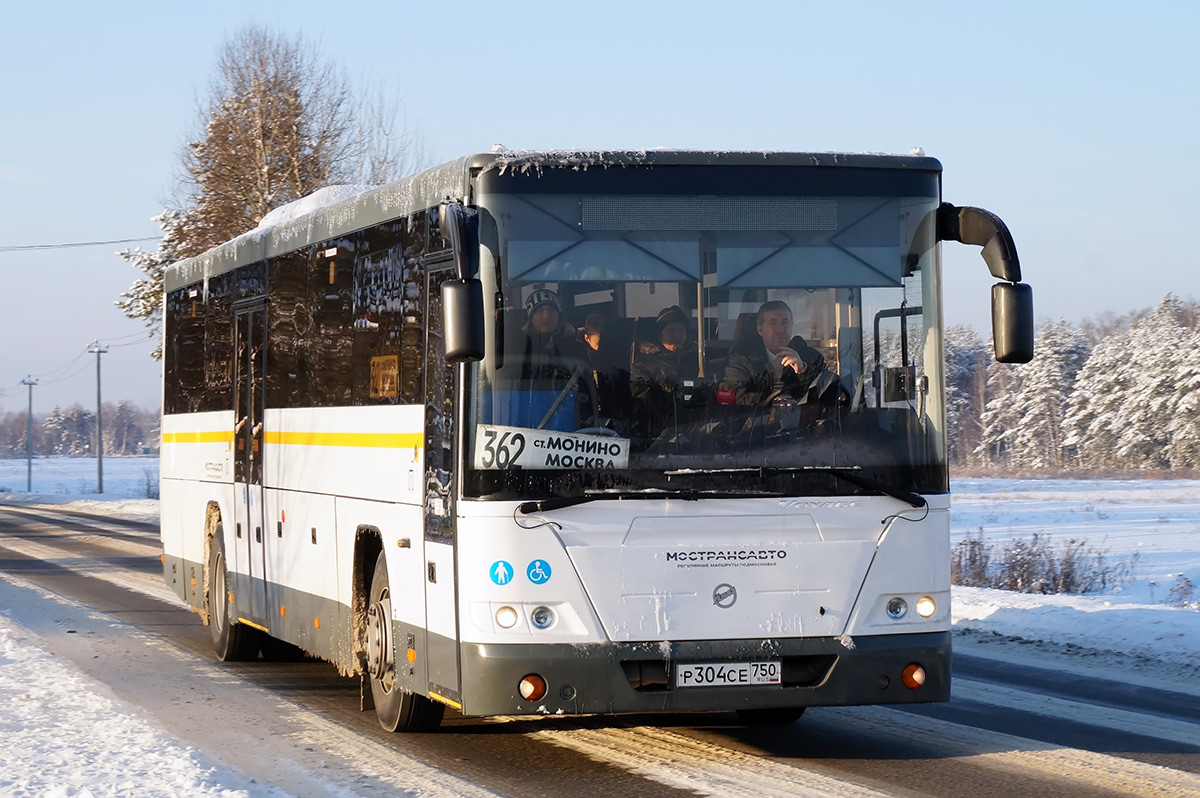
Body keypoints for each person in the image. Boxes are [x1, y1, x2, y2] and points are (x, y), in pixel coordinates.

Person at [720, 300, 829, 406]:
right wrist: (770, 402)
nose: (780, 329)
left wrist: (802, 371)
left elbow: (827, 396)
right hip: (756, 422)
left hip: (803, 422)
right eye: (773, 323)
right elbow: (733, 396)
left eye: (785, 322)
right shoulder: (741, 360)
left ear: (792, 325)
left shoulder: (812, 357)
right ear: (760, 330)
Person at [517, 289, 596, 428]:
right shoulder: (518, 348)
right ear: (531, 316)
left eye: (552, 310)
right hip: (525, 425)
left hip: (567, 428)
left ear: (559, 315)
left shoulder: (575, 349)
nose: (546, 316)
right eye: (540, 310)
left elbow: (587, 390)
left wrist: (587, 416)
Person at [631, 305, 702, 433]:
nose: (677, 335)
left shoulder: (698, 360)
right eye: (671, 331)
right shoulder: (643, 364)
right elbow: (643, 401)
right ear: (659, 334)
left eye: (681, 331)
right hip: (659, 431)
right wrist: (666, 390)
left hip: (696, 428)